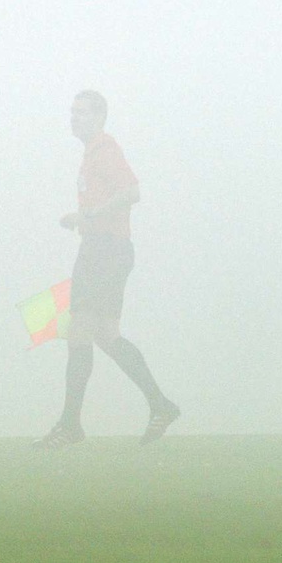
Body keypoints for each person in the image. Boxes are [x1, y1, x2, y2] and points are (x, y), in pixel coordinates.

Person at [33, 91, 180, 449]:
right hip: (103, 249)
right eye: (71, 112)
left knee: (81, 330)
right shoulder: (90, 156)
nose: (73, 118)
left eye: (81, 112)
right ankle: (160, 405)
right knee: (106, 335)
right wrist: (82, 218)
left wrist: (93, 216)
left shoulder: (105, 150)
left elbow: (132, 192)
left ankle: (70, 426)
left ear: (99, 116)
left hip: (105, 251)